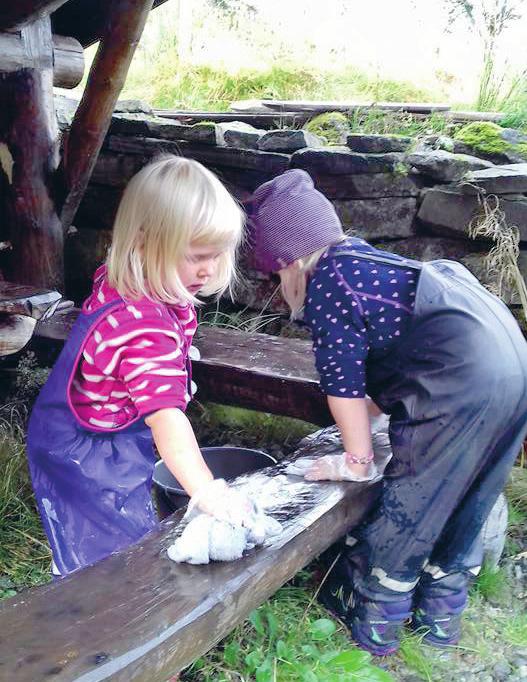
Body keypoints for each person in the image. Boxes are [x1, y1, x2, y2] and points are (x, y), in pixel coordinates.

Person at [247, 168, 527, 655]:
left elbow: (343, 384)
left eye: (275, 275)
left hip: (460, 384)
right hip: (511, 368)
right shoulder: (366, 266)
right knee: (467, 504)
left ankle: (373, 633)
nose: (278, 287)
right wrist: (372, 419)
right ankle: (438, 630)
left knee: (409, 510)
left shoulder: (329, 283)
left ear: (288, 261)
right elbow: (393, 362)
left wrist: (354, 458)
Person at [27, 155, 251, 577]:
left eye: (217, 255)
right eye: (196, 256)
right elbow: (167, 420)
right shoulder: (145, 332)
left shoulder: (128, 276)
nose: (208, 270)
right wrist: (206, 490)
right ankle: (93, 601)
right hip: (87, 449)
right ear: (146, 244)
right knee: (108, 545)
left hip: (82, 425)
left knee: (97, 529)